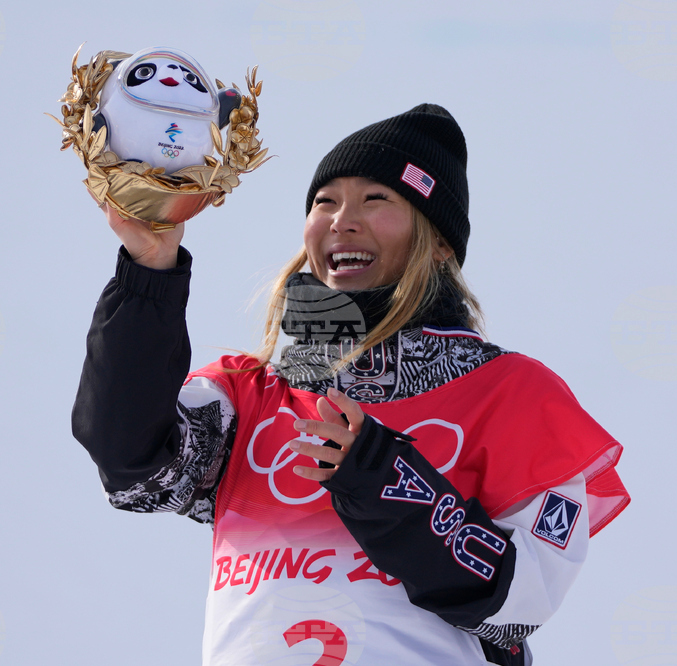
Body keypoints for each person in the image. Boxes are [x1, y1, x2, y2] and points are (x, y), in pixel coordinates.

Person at [72, 103, 630, 666]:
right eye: (325, 201)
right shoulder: (250, 393)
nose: (342, 219)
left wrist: (384, 477)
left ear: (439, 242)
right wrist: (149, 270)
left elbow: (519, 605)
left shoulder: (511, 392)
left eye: (377, 199)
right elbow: (135, 471)